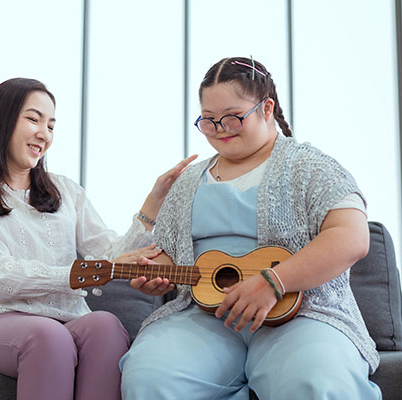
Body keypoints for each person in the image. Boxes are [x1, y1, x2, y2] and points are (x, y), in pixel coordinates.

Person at [120, 57, 382, 399]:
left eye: (232, 116)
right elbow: (170, 255)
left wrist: (275, 281)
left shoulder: (310, 166)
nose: (220, 129)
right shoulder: (186, 184)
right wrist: (157, 275)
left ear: (266, 108)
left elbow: (352, 238)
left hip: (302, 313)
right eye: (209, 121)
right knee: (149, 377)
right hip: (203, 317)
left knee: (315, 380)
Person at [0, 77, 196, 400]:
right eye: (34, 119)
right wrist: (86, 271)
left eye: (50, 125)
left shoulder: (65, 191)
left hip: (66, 321)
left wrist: (154, 201)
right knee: (49, 336)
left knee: (105, 326)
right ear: (2, 120)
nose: (44, 134)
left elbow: (110, 252)